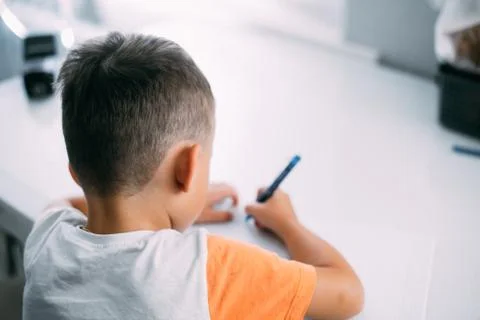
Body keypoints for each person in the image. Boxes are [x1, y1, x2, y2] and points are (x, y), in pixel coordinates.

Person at [22, 32, 364, 320]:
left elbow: (61, 203)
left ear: (76, 172)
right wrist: (288, 224)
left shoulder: (46, 237)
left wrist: (157, 201)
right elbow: (348, 294)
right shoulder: (202, 270)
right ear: (188, 168)